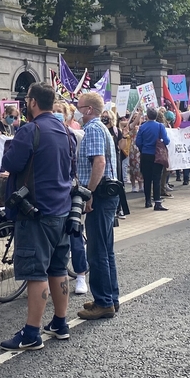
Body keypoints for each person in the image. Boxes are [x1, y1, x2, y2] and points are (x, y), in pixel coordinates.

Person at [0, 82, 75, 351]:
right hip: (62, 210)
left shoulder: (30, 130)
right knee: (57, 267)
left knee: (36, 272)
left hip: (35, 212)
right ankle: (60, 323)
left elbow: (9, 163)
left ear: (32, 102)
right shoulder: (66, 132)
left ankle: (31, 333)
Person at [73, 93, 121, 320]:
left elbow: (99, 162)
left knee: (97, 251)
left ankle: (103, 303)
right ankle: (110, 297)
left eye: (79, 106)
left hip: (99, 195)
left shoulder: (92, 129)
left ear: (89, 109)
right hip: (107, 194)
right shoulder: (101, 127)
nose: (76, 110)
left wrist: (88, 193)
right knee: (106, 249)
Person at [135, 107, 170, 210]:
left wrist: (143, 149)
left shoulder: (142, 127)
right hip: (157, 155)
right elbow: (167, 140)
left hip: (145, 154)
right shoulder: (160, 126)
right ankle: (157, 202)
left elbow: (138, 142)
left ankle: (147, 201)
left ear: (147, 116)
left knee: (147, 178)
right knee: (157, 178)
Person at [127, 110, 144, 193]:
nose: (136, 119)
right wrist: (139, 114)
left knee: (140, 167)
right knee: (134, 166)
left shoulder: (141, 126)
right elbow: (134, 124)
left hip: (140, 148)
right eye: (134, 117)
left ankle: (141, 185)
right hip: (133, 148)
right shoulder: (130, 126)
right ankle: (134, 185)